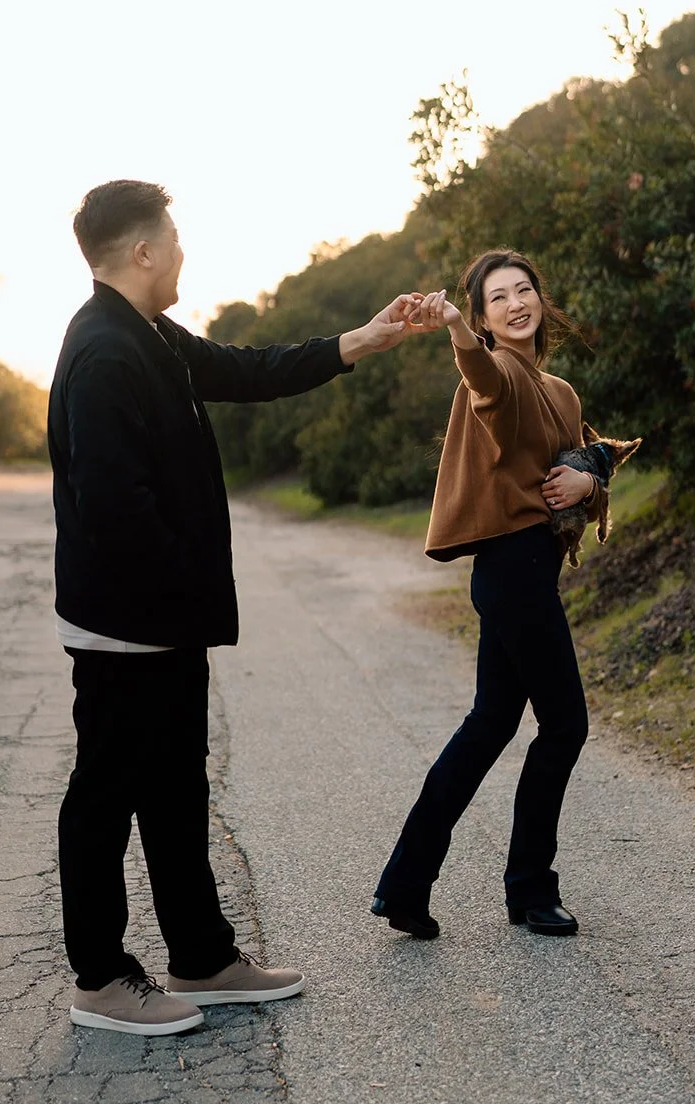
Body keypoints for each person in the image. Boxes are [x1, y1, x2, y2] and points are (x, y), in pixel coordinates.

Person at [49, 179, 420, 1035]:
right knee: (104, 798)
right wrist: (185, 584)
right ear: (142, 252)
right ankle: (99, 978)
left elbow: (247, 371)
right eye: (171, 239)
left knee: (176, 793)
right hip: (123, 628)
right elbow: (116, 514)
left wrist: (361, 339)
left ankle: (202, 957)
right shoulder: (103, 350)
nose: (181, 252)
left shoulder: (149, 335)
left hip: (162, 625)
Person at [372, 250, 596, 939]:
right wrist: (454, 333)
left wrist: (589, 481)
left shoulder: (559, 390)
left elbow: (580, 455)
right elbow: (482, 375)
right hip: (511, 568)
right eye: (497, 298)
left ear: (539, 298)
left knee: (491, 723)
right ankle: (530, 889)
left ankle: (405, 886)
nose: (515, 303)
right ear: (483, 318)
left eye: (523, 289)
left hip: (526, 566)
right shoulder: (493, 370)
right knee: (564, 724)